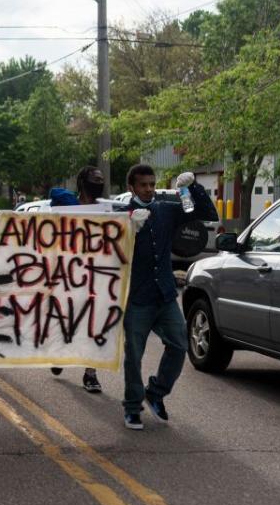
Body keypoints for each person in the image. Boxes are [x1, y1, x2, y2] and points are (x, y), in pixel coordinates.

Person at [121, 165, 217, 431]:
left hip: (164, 294)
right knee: (134, 355)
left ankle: (156, 392)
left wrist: (189, 188)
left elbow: (205, 213)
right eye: (143, 185)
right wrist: (126, 226)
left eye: (152, 184)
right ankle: (131, 407)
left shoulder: (166, 208)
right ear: (132, 187)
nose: (149, 189)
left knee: (179, 345)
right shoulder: (119, 214)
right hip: (136, 297)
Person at [47, 166, 109, 393]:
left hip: (94, 274)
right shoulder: (66, 202)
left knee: (93, 322)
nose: (99, 183)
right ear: (83, 182)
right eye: (95, 179)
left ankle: (90, 373)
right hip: (65, 273)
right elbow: (54, 192)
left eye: (101, 180)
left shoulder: (106, 210)